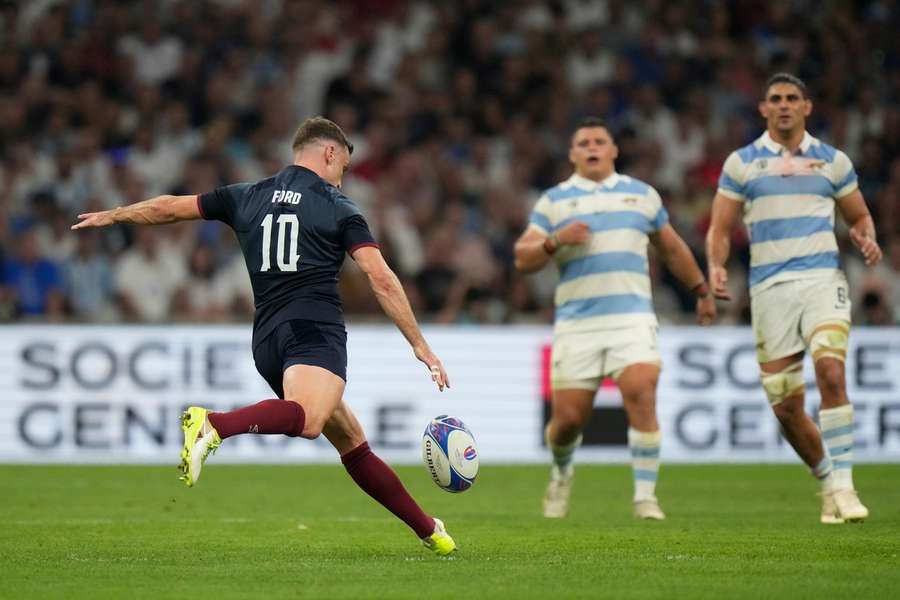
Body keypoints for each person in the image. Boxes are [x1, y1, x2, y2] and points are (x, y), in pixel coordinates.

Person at [72, 116, 457, 555]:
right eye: (343, 168)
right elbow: (380, 277)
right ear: (329, 153)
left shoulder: (247, 195)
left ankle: (429, 530)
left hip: (268, 341)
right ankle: (214, 424)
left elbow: (168, 208)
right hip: (314, 331)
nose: (341, 177)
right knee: (310, 421)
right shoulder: (337, 207)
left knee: (350, 439)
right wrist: (420, 345)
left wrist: (115, 215)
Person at [514, 117, 716, 520]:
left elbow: (672, 248)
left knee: (641, 390)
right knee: (568, 421)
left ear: (613, 150)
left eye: (599, 141)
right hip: (578, 324)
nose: (592, 147)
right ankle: (561, 472)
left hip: (632, 318)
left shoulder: (641, 196)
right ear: (573, 154)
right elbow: (523, 257)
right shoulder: (555, 201)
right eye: (583, 141)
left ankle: (645, 497)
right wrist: (555, 240)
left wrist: (701, 289)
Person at [706, 73, 883, 524]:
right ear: (763, 109)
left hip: (823, 280)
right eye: (775, 99)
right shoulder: (742, 164)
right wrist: (717, 264)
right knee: (786, 406)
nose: (784, 105)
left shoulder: (833, 162)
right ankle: (826, 480)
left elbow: (859, 214)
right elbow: (720, 227)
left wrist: (866, 237)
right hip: (769, 290)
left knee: (830, 370)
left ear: (808, 106)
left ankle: (845, 487)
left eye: (792, 99)